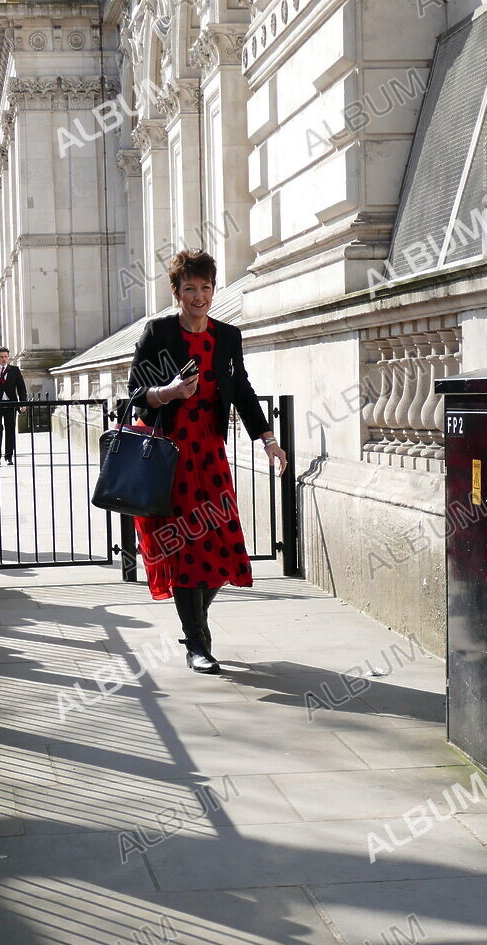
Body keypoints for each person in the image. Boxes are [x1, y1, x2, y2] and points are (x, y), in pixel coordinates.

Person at [127, 249, 289, 674]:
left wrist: (268, 439)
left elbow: (243, 392)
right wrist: (169, 392)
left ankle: (193, 627)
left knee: (222, 545)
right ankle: (198, 642)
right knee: (182, 548)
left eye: (205, 288)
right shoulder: (158, 333)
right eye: (190, 289)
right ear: (176, 291)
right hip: (171, 455)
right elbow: (134, 394)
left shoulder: (227, 336)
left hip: (211, 453)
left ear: (213, 289)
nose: (199, 296)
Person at [0, 346, 27, 465]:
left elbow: (21, 388)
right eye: (1, 357)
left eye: (6, 357)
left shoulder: (14, 370)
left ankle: (9, 457)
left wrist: (23, 403)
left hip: (10, 404)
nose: (4, 359)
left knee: (10, 430)